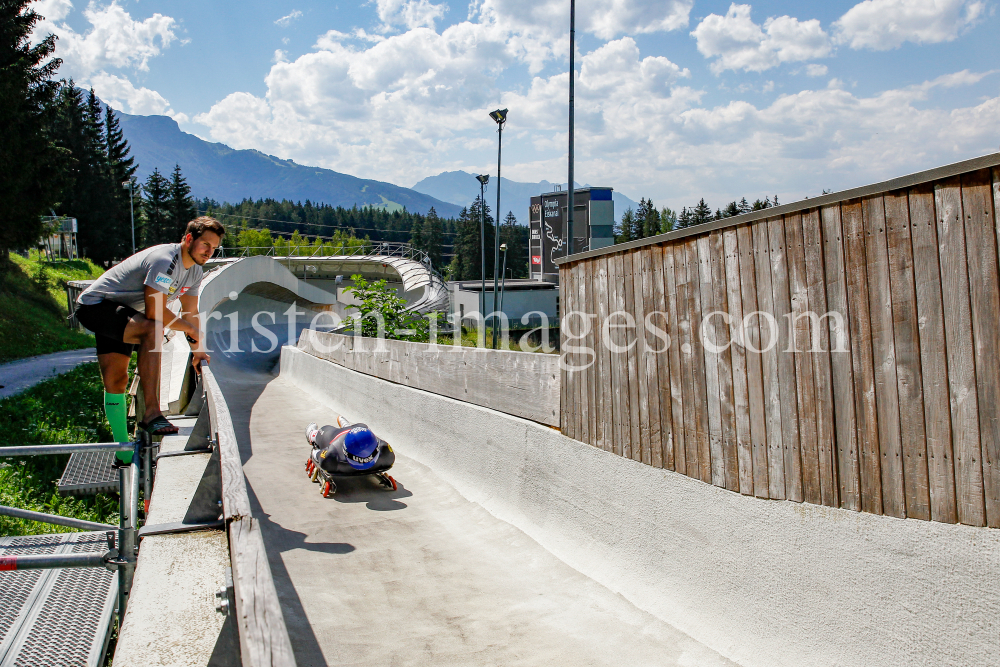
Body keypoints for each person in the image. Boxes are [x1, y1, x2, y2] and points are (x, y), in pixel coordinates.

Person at [75, 217, 224, 454]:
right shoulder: (165, 261)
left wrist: (198, 351)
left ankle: (122, 450)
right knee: (152, 329)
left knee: (117, 382)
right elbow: (155, 311)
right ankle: (152, 413)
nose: (209, 252)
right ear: (188, 239)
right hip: (97, 306)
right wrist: (189, 329)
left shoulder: (195, 271)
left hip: (126, 314)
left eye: (214, 248)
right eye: (205, 244)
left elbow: (190, 312)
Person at [305, 419, 394, 474]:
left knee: (325, 430)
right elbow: (316, 453)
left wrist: (315, 453)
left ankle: (313, 433)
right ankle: (313, 434)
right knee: (324, 431)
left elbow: (315, 453)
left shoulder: (330, 458)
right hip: (339, 436)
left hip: (349, 432)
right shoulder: (387, 454)